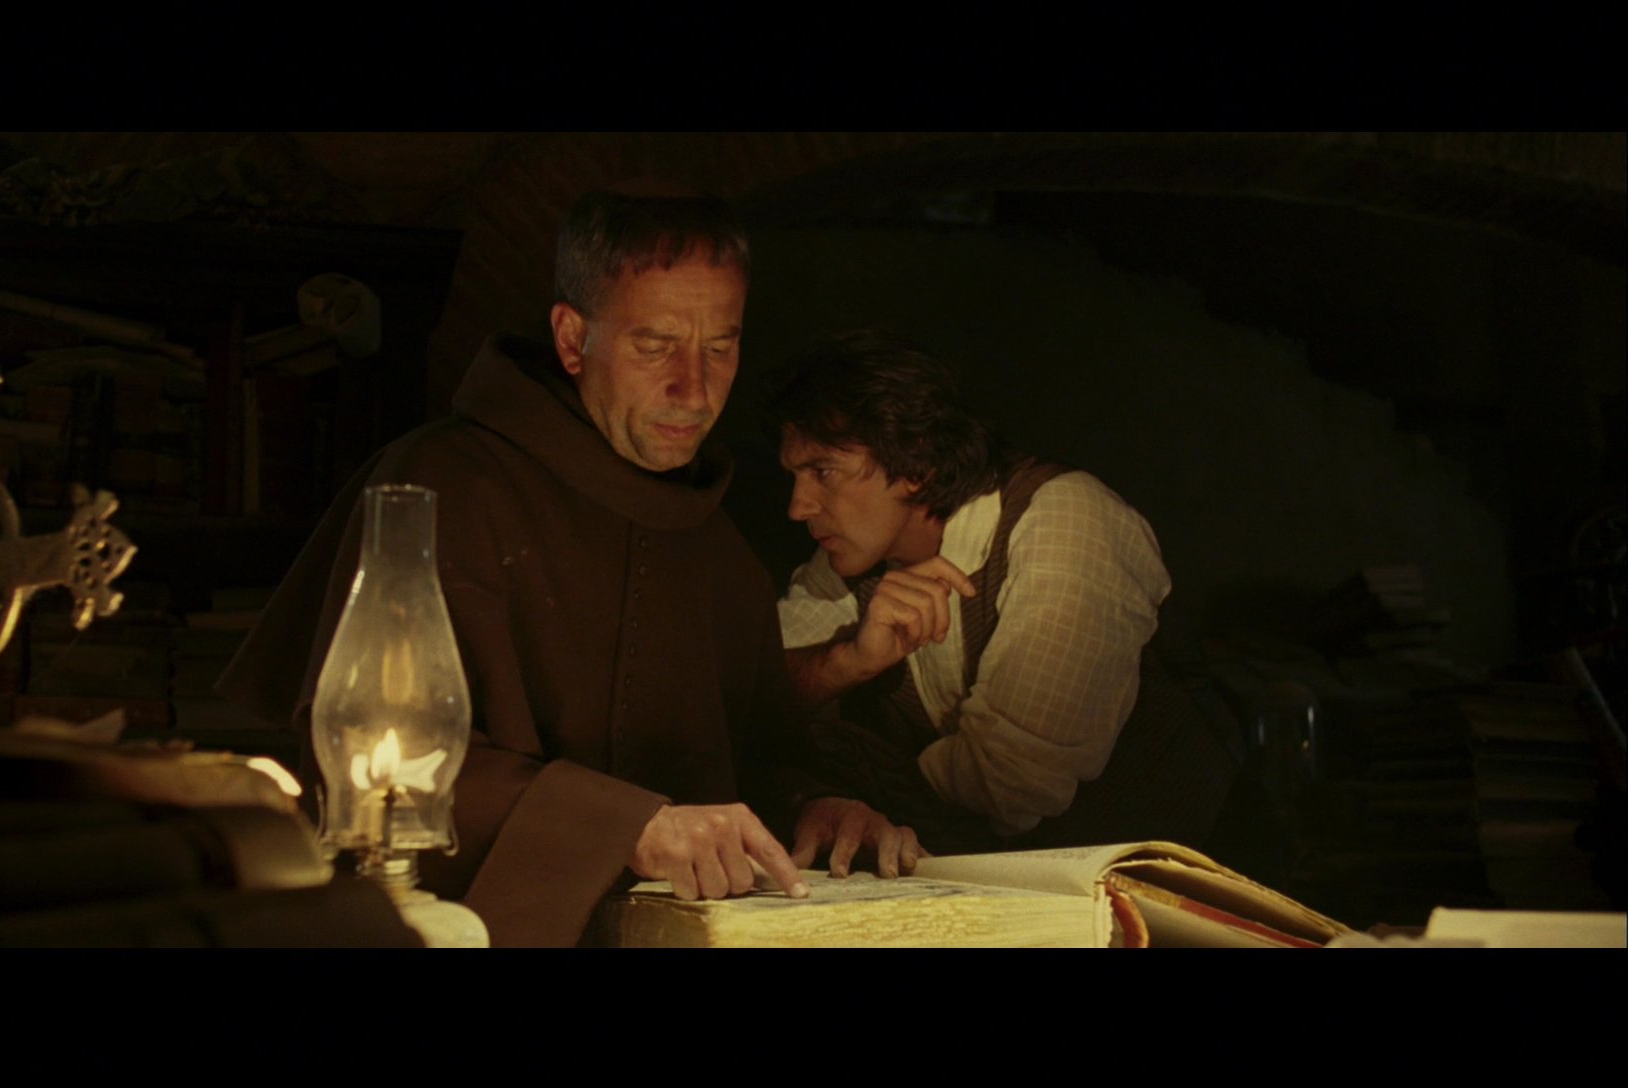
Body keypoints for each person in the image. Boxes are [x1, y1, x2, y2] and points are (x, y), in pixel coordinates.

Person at [217, 188, 921, 947]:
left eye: (719, 347)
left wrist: (814, 809)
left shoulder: (720, 547)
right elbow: (364, 770)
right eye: (656, 346)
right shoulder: (438, 490)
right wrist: (626, 826)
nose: (694, 388)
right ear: (573, 339)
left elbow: (750, 763)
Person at [766, 331, 1239, 854]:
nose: (798, 507)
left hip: (1177, 878)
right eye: (795, 476)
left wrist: (848, 785)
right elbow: (742, 700)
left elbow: (1014, 785)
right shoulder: (850, 557)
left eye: (823, 471)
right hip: (1005, 890)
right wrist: (846, 663)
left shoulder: (1066, 520)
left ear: (915, 466)